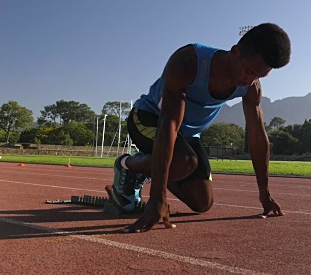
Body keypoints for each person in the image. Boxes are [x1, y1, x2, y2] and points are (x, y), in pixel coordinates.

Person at [107, 23, 290, 233]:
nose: (249, 81)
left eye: (258, 76)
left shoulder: (251, 87)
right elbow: (170, 123)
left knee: (202, 202)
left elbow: (258, 137)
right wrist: (157, 199)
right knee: (184, 162)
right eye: (248, 71)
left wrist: (264, 194)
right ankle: (126, 165)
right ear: (235, 52)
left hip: (188, 134)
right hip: (149, 119)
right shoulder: (188, 62)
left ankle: (148, 168)